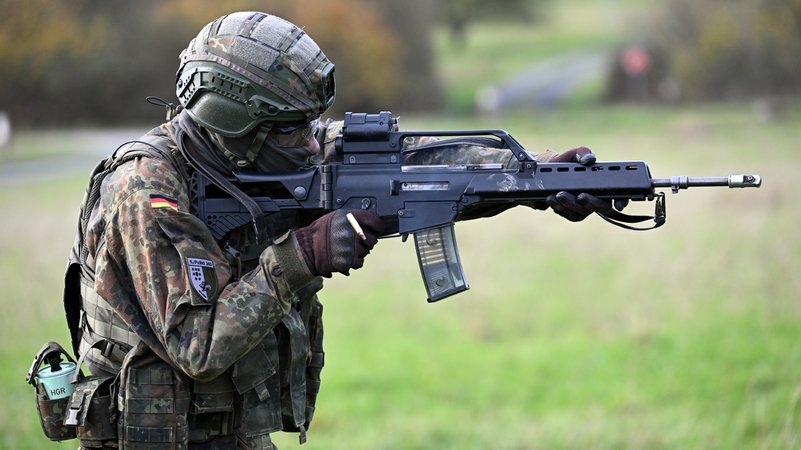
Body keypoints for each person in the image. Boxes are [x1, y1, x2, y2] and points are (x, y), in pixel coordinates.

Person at [60, 11, 610, 450]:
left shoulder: (266, 148)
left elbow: (420, 165)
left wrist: (532, 176)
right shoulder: (144, 189)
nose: (312, 140)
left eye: (311, 123)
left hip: (232, 433)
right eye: (293, 129)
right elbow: (196, 346)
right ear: (235, 122)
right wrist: (302, 254)